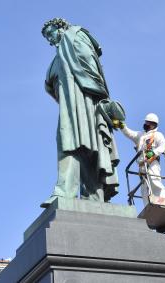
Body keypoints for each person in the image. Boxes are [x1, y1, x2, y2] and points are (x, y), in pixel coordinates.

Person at [40, 18, 119, 208]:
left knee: (79, 145)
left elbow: (90, 64)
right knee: (73, 143)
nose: (50, 40)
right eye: (47, 38)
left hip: (84, 100)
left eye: (51, 33)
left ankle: (72, 193)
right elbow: (50, 85)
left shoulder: (74, 36)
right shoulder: (57, 57)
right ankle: (78, 193)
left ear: (60, 27)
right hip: (69, 104)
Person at [117, 113, 165, 205]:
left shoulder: (157, 135)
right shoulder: (141, 135)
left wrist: (154, 152)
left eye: (147, 122)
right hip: (141, 165)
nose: (145, 124)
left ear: (153, 124)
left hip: (152, 162)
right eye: (145, 122)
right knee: (144, 187)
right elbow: (130, 133)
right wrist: (122, 126)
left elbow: (164, 146)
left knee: (154, 181)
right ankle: (147, 205)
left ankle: (162, 201)